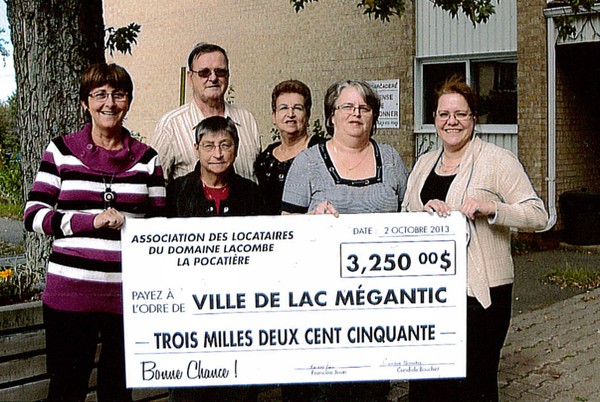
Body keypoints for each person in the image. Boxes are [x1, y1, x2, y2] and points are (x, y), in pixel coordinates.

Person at [23, 63, 166, 401]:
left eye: (118, 94)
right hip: (69, 294)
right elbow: (33, 216)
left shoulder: (148, 159)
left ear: (128, 101)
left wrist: (127, 224)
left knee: (117, 392)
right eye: (99, 95)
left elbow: (159, 229)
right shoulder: (60, 151)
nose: (109, 103)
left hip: (128, 295)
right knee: (67, 389)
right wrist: (90, 221)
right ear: (85, 103)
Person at [401, 75, 548, 401]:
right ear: (434, 118)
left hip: (481, 296)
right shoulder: (424, 163)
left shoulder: (497, 160)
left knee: (473, 385)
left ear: (474, 118)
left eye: (461, 114)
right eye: (444, 114)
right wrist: (424, 211)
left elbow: (538, 215)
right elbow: (405, 215)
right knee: (426, 386)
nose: (451, 122)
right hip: (430, 293)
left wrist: (493, 208)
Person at [281, 80, 409, 401]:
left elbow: (409, 219)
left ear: (373, 116)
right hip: (322, 303)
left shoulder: (391, 160)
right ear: (331, 116)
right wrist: (311, 221)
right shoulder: (307, 163)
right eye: (347, 107)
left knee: (371, 389)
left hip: (378, 302)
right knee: (325, 391)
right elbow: (285, 230)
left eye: (364, 108)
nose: (356, 114)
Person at [166, 116, 263, 400]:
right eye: (209, 146)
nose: (217, 154)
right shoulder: (176, 192)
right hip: (189, 314)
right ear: (196, 149)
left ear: (236, 148)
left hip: (238, 313)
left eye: (225, 145)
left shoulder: (252, 194)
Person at [152, 42, 261, 183]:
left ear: (228, 76)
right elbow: (154, 183)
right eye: (204, 73)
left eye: (220, 71)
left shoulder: (247, 120)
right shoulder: (171, 125)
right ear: (190, 77)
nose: (213, 78)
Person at [254, 80, 324, 214]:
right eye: (283, 108)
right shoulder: (265, 158)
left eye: (297, 108)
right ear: (274, 117)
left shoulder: (322, 151)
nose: (290, 114)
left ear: (307, 115)